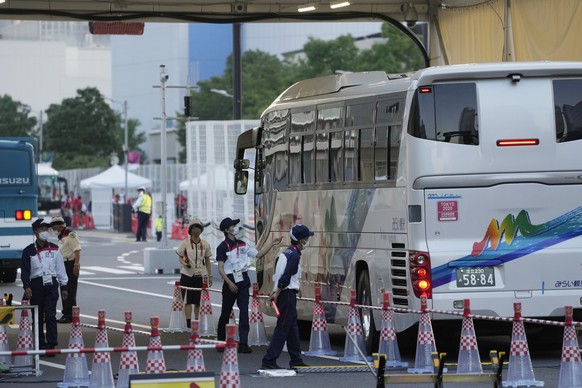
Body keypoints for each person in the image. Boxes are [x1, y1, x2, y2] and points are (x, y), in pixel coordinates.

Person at [216, 217, 283, 353]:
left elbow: (258, 254)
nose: (235, 228)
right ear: (226, 230)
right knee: (225, 312)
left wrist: (272, 244)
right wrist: (229, 283)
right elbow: (221, 268)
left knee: (244, 312)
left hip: (243, 280)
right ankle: (221, 341)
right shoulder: (222, 247)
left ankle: (243, 343)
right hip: (230, 280)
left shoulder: (242, 244)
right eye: (232, 226)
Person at [261, 224, 313, 370]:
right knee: (283, 327)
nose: (308, 241)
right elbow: (285, 277)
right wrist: (277, 293)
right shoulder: (295, 255)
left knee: (292, 328)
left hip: (285, 292)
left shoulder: (286, 253)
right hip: (287, 294)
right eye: (306, 238)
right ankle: (269, 359)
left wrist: (274, 291)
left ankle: (296, 358)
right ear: (301, 240)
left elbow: (279, 275)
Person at [20, 219, 68, 352]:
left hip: (51, 284)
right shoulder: (28, 251)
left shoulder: (55, 248)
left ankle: (51, 343)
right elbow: (25, 271)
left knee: (50, 314)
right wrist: (27, 286)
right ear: (35, 232)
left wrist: (64, 287)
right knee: (37, 315)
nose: (45, 232)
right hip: (36, 285)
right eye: (42, 229)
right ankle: (39, 343)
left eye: (47, 229)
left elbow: (60, 269)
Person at [175, 219, 213, 328]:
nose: (196, 230)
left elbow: (208, 260)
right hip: (187, 274)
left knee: (197, 300)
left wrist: (210, 275)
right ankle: (188, 321)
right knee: (187, 299)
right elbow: (180, 257)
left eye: (198, 228)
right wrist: (184, 263)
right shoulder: (185, 243)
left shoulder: (205, 244)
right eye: (194, 228)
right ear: (190, 230)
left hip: (200, 275)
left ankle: (196, 320)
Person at [49, 216, 81, 324]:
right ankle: (66, 313)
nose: (53, 230)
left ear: (58, 226)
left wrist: (76, 265)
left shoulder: (70, 235)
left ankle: (70, 315)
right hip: (63, 265)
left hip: (70, 264)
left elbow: (77, 250)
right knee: (64, 289)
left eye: (54, 228)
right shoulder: (61, 236)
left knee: (70, 290)